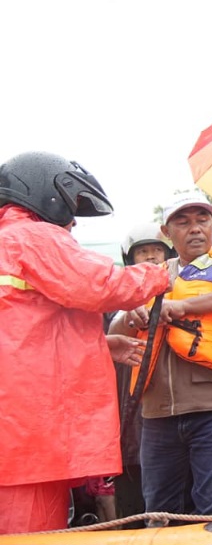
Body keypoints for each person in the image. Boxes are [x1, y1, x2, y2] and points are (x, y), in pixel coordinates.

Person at [0, 152, 168, 534]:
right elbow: (100, 285)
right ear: (46, 193)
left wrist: (100, 344)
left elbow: (24, 331)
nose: (73, 221)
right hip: (27, 435)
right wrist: (158, 276)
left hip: (13, 429)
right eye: (72, 207)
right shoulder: (31, 236)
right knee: (32, 533)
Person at [110, 191, 212, 517]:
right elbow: (114, 331)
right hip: (156, 418)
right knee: (158, 514)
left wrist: (182, 306)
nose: (195, 228)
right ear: (166, 233)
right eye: (183, 222)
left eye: (202, 220)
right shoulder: (152, 274)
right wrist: (132, 314)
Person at [112, 224, 176, 526]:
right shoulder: (116, 300)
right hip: (129, 425)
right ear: (130, 259)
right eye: (142, 251)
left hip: (171, 417)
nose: (151, 257)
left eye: (157, 250)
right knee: (134, 510)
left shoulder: (187, 292)